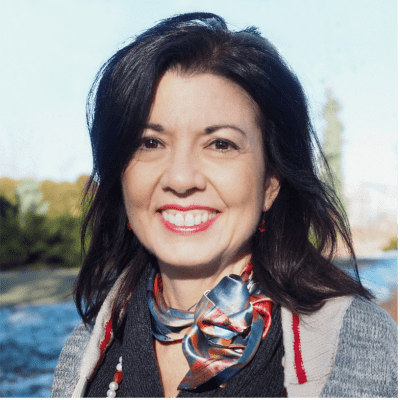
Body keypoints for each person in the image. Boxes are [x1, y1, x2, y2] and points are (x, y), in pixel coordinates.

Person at [51, 12, 398, 399]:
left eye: (220, 144)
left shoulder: (352, 339)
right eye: (150, 142)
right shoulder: (84, 350)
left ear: (270, 181)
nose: (181, 178)